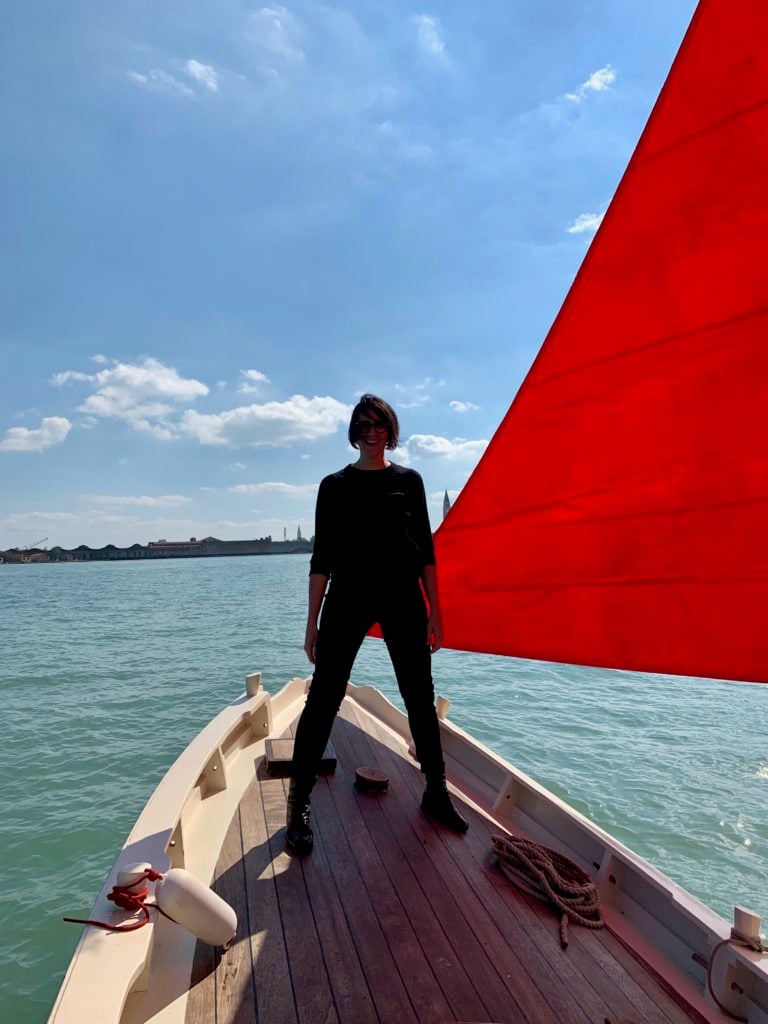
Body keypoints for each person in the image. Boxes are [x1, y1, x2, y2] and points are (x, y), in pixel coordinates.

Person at [286, 394, 468, 855]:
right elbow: (321, 557)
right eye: (364, 425)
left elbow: (425, 550)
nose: (372, 432)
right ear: (354, 431)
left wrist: (437, 610)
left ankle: (436, 793)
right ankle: (299, 803)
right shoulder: (334, 485)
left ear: (391, 430)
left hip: (404, 598)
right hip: (347, 598)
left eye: (379, 424)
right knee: (324, 697)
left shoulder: (410, 481)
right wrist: (311, 622)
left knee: (419, 699)